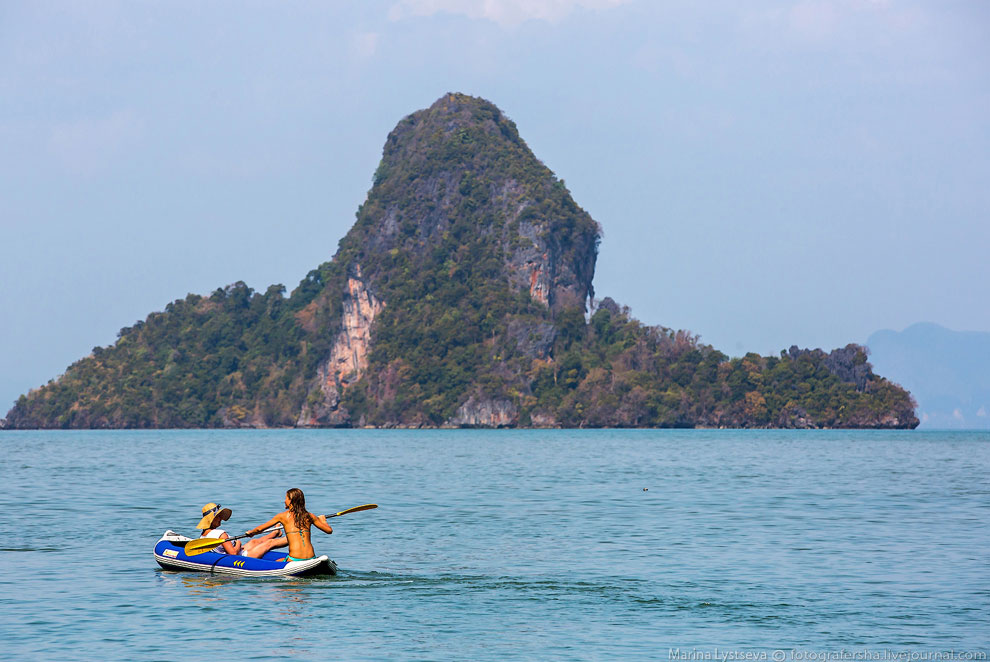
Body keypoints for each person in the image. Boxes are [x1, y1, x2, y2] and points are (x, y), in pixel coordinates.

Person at [244, 488, 333, 562]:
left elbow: (260, 529)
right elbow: (329, 531)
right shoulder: (310, 516)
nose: (284, 501)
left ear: (291, 501)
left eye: (286, 498)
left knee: (276, 562)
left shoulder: (283, 516)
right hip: (311, 558)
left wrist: (251, 532)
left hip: (295, 559)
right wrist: (323, 521)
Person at [196, 502, 287, 558]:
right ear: (211, 520)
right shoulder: (221, 534)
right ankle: (295, 537)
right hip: (245, 556)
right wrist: (238, 543)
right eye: (218, 517)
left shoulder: (203, 535)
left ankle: (275, 533)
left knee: (254, 542)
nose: (221, 519)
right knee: (269, 543)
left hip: (240, 551)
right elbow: (233, 554)